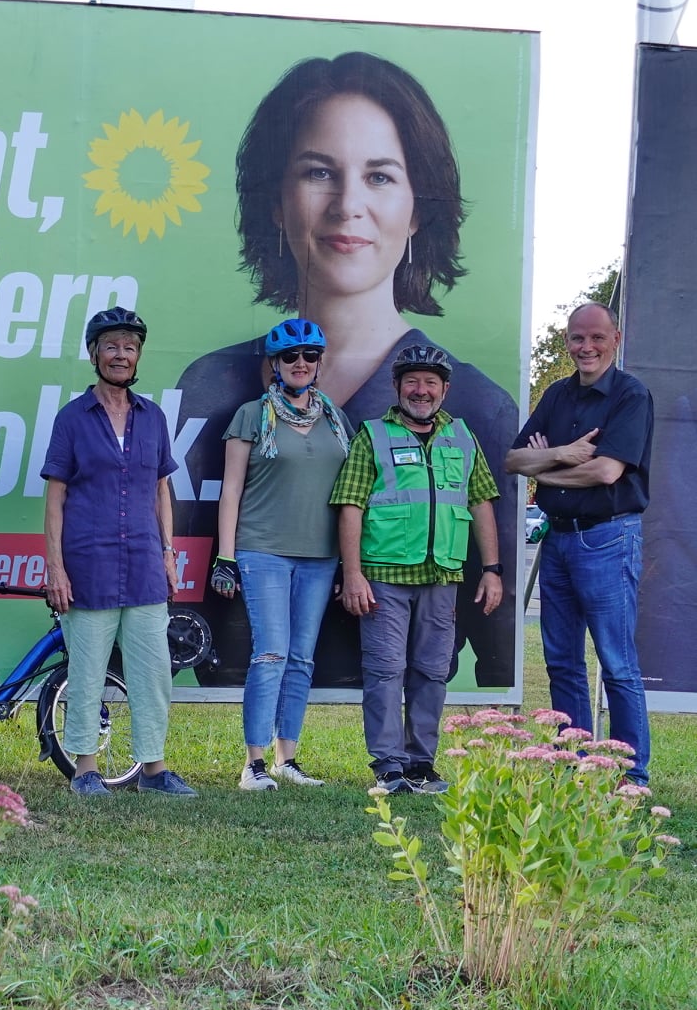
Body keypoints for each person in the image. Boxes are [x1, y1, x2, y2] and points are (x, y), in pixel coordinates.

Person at [174, 51, 519, 694]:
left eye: (381, 177)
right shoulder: (212, 385)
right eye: (318, 172)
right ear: (277, 201)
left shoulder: (478, 404)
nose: (347, 205)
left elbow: (494, 633)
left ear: (418, 208)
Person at [330, 344, 503, 795]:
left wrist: (492, 568)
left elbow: (481, 500)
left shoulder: (463, 437)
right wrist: (353, 574)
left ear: (445, 389)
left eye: (430, 382)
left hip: (442, 577)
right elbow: (350, 506)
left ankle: (421, 764)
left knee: (431, 672)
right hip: (384, 577)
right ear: (397, 386)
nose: (420, 390)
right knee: (386, 671)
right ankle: (389, 766)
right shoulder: (373, 434)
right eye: (412, 381)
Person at [41, 307, 196, 799]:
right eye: (111, 345)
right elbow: (55, 498)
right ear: (94, 354)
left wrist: (169, 552)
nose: (121, 354)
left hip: (146, 566)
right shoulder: (72, 419)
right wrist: (56, 568)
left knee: (152, 674)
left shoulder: (153, 417)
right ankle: (85, 769)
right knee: (87, 671)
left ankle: (153, 769)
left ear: (138, 356)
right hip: (88, 564)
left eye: (130, 346)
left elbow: (160, 491)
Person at [505, 302, 654, 788]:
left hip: (608, 538)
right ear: (567, 341)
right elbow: (512, 459)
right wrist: (565, 454)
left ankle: (631, 774)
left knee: (616, 661)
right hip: (559, 541)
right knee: (561, 661)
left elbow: (608, 470)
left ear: (617, 337)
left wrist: (543, 464)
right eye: (576, 338)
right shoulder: (556, 395)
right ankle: (572, 765)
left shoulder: (631, 396)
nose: (585, 347)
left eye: (596, 338)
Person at [211, 318, 351, 791]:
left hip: (321, 554)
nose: (300, 364)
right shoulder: (252, 415)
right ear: (274, 364)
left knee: (302, 658)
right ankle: (253, 764)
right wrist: (225, 557)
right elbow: (230, 491)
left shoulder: (335, 418)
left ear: (319, 363)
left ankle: (287, 758)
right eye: (290, 356)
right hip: (262, 549)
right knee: (270, 653)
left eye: (310, 356)